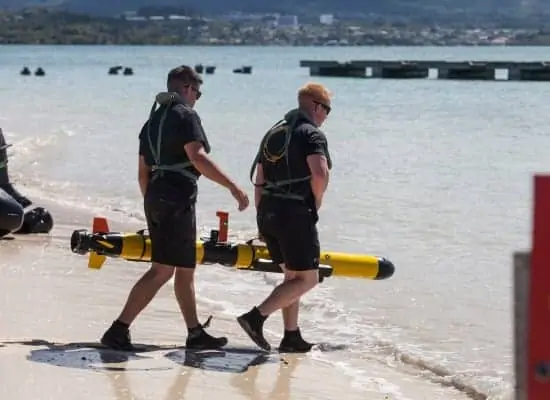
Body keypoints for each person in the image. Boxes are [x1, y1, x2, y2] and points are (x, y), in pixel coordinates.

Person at [100, 65, 250, 351]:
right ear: (187, 89)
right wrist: (233, 186)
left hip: (156, 193)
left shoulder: (152, 121)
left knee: (184, 267)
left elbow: (142, 172)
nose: (198, 98)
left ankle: (194, 333)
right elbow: (198, 157)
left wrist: (151, 203)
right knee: (162, 270)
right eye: (198, 92)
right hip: (177, 196)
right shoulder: (186, 115)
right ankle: (118, 329)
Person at [237, 82, 333, 353]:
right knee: (308, 279)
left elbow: (260, 179)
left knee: (292, 277)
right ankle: (256, 317)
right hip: (295, 214)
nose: (326, 117)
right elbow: (320, 174)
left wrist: (260, 217)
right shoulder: (311, 134)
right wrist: (316, 202)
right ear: (316, 106)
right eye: (327, 110)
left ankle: (291, 336)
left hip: (268, 212)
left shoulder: (273, 132)